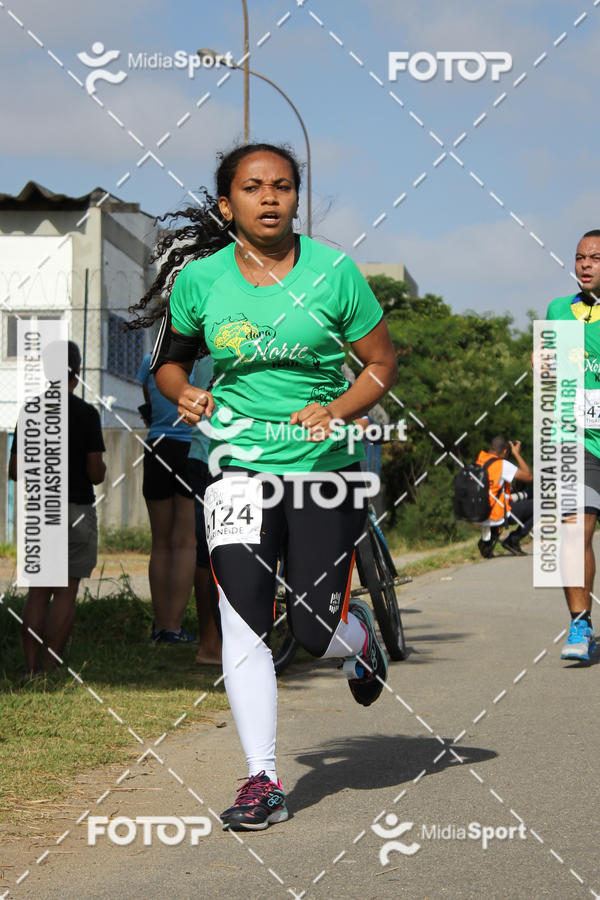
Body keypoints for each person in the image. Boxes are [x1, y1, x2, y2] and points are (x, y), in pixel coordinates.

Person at [128, 143, 398, 830]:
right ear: (228, 204)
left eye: (282, 186)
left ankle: (355, 635)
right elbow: (171, 363)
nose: (270, 197)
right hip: (236, 467)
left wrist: (337, 409)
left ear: (295, 198)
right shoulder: (201, 281)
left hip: (320, 467)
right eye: (254, 187)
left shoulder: (334, 272)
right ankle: (263, 781)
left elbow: (380, 362)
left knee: (311, 630)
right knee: (243, 618)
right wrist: (184, 392)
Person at [9, 341, 106, 674]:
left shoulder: (29, 411)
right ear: (76, 374)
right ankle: (50, 668)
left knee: (38, 592)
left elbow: (14, 470)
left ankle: (30, 665)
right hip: (77, 509)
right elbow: (96, 473)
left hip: (40, 509)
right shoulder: (87, 414)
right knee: (66, 590)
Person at [546, 230, 600, 661]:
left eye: (595, 258)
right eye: (580, 257)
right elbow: (550, 366)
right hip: (574, 438)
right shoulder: (558, 310)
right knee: (572, 531)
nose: (585, 264)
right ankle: (580, 624)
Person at [138, 352, 196, 643]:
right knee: (185, 542)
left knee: (159, 543)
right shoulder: (200, 358)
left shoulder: (151, 359)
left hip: (156, 445)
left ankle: (160, 627)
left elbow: (148, 399)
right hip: (188, 447)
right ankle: (174, 627)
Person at [188, 355, 222, 664]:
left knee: (207, 554)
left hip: (201, 454)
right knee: (216, 552)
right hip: (222, 459)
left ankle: (210, 643)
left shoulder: (201, 353)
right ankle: (214, 643)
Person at [475, 436, 533, 558]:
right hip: (498, 513)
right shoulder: (501, 464)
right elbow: (528, 476)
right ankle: (513, 541)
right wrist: (516, 454)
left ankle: (487, 541)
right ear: (506, 451)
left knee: (529, 493)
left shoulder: (479, 461)